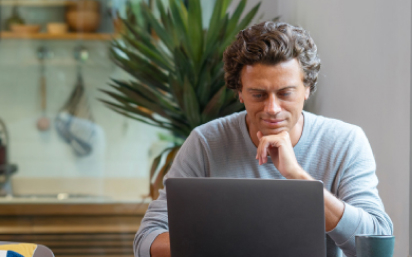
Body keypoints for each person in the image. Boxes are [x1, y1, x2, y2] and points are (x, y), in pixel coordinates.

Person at [133, 21, 393, 257]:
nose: (272, 108)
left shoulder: (345, 142)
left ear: (307, 88)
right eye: (258, 94)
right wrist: (217, 245)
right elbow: (146, 240)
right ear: (240, 93)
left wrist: (300, 180)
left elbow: (377, 246)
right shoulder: (205, 142)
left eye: (285, 93)